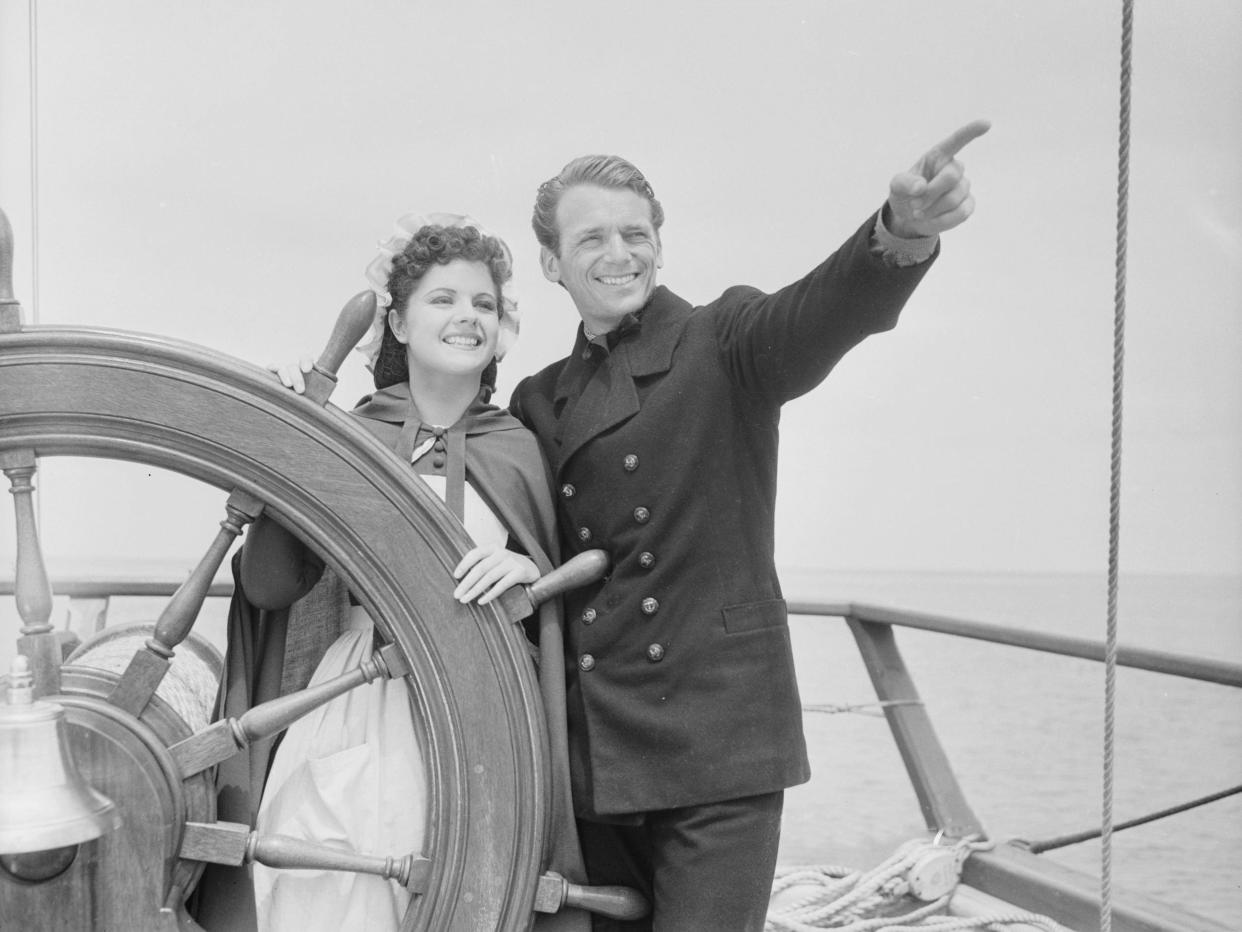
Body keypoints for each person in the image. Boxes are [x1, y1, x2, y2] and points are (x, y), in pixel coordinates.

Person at [507, 121, 990, 931]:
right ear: (553, 263)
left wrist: (899, 231)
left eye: (636, 233)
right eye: (592, 238)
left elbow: (820, 313)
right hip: (595, 751)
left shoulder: (722, 339)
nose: (619, 252)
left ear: (661, 245)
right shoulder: (540, 398)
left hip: (717, 743)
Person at [195, 214, 590, 932]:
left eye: (484, 304)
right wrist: (288, 439)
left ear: (501, 329)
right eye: (443, 299)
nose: (467, 316)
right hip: (357, 702)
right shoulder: (349, 435)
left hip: (486, 706)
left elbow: (554, 607)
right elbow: (269, 587)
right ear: (399, 324)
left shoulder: (520, 452)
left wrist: (526, 567)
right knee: (328, 886)